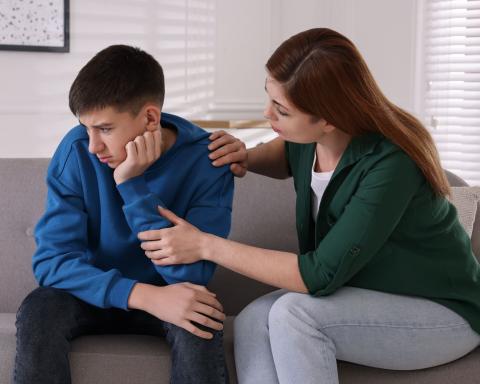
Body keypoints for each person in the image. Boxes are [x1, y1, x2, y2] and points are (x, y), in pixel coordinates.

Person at [137, 28, 480, 384]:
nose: (267, 113)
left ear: (329, 118)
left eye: (281, 111)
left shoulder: (392, 166)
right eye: (269, 98)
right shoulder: (307, 138)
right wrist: (246, 156)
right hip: (367, 295)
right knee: (254, 318)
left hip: (443, 313)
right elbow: (284, 155)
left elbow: (318, 276)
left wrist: (206, 244)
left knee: (294, 316)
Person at [13, 45, 233, 384]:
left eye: (104, 129)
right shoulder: (76, 152)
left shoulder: (208, 162)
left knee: (201, 315)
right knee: (40, 308)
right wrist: (144, 296)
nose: (92, 146)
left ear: (149, 118)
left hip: (170, 292)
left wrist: (132, 185)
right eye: (86, 128)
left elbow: (193, 274)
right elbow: (51, 263)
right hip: (90, 293)